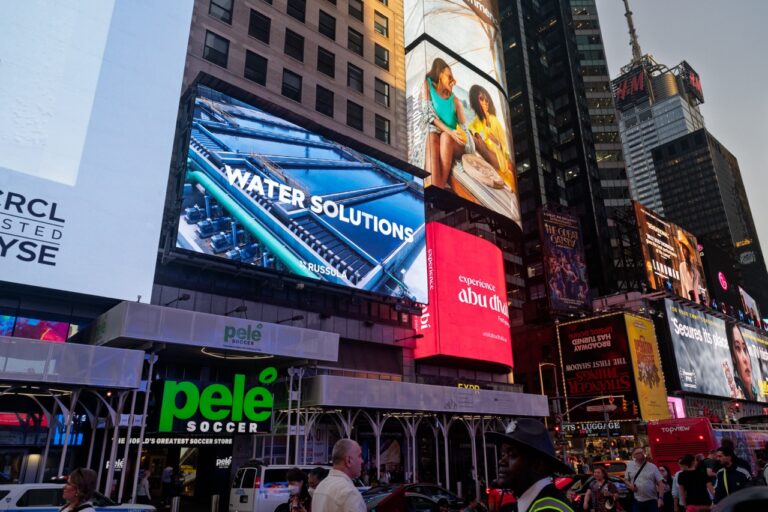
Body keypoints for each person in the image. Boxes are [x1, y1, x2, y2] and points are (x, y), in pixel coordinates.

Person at [486, 418, 574, 512]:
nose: (501, 461)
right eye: (503, 454)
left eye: (512, 455)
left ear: (538, 466)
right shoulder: (524, 505)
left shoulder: (549, 509)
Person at [422, 58, 470, 189]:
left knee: (445, 137)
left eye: (453, 79)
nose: (452, 81)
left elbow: (465, 132)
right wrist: (449, 131)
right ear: (440, 73)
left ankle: (440, 188)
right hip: (441, 134)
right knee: (431, 138)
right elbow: (428, 115)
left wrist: (452, 133)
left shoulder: (456, 101)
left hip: (456, 142)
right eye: (450, 77)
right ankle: (433, 187)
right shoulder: (427, 85)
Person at [467, 84, 515, 190]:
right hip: (485, 156)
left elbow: (505, 147)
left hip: (499, 159)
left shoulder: (494, 120)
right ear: (475, 100)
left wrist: (496, 142)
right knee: (473, 138)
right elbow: (470, 132)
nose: (485, 102)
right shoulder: (474, 122)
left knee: (476, 141)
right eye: (481, 98)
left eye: (486, 99)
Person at [312, 439, 366, 512]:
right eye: (359, 456)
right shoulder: (349, 493)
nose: (362, 461)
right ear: (348, 461)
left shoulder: (320, 487)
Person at [623, 446, 665, 512]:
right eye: (637, 453)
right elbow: (625, 479)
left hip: (651, 501)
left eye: (641, 452)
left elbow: (661, 483)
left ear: (644, 453)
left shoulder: (652, 467)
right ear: (634, 456)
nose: (640, 454)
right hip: (637, 501)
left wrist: (660, 498)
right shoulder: (629, 466)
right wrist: (630, 485)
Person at [728, 324, 761, 401]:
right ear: (733, 357)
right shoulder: (735, 392)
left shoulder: (757, 392)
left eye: (745, 349)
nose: (745, 359)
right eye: (737, 348)